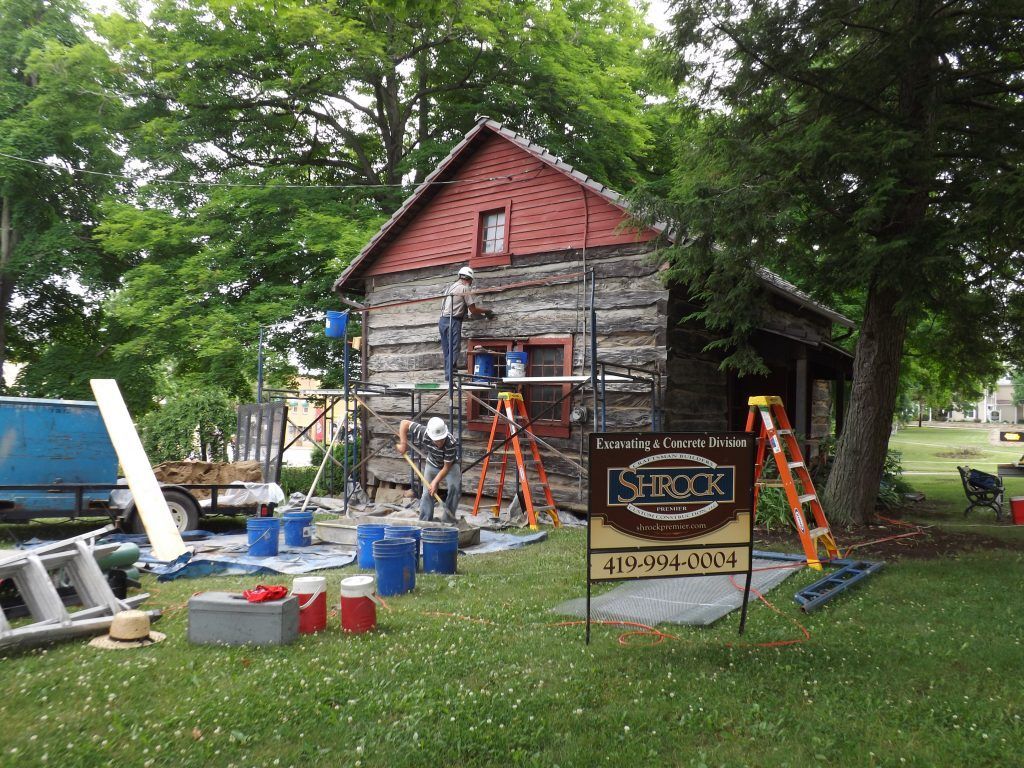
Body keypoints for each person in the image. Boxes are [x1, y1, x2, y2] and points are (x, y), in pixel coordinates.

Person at [397, 416, 461, 523]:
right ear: (430, 436)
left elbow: (446, 467)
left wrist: (435, 482)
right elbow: (404, 423)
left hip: (450, 466)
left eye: (442, 439)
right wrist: (403, 444)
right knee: (427, 492)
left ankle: (448, 521)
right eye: (437, 440)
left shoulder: (451, 443)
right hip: (432, 463)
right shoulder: (424, 433)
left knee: (455, 490)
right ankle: (425, 521)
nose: (439, 443)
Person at [439, 266, 494, 382]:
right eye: (471, 280)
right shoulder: (464, 289)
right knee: (454, 348)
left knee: (447, 349)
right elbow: (473, 310)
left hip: (442, 321)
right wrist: (487, 311)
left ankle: (449, 374)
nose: (471, 283)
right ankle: (451, 375)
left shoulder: (449, 288)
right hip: (452, 320)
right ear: (468, 279)